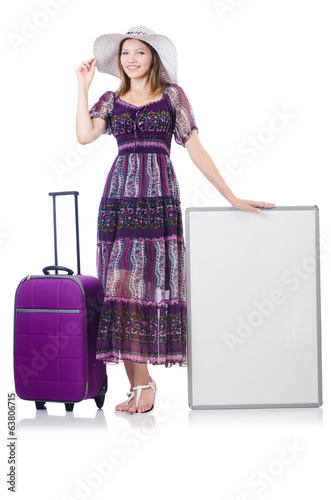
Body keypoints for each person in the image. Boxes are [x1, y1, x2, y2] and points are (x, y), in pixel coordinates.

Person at [75, 26, 275, 416]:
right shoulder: (110, 99)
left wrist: (231, 197)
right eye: (126, 53)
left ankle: (144, 386)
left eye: (140, 53)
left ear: (154, 59)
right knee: (119, 283)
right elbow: (85, 135)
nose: (131, 59)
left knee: (148, 284)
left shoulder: (171, 97)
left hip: (158, 199)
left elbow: (196, 149)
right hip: (118, 199)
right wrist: (82, 88)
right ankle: (141, 385)